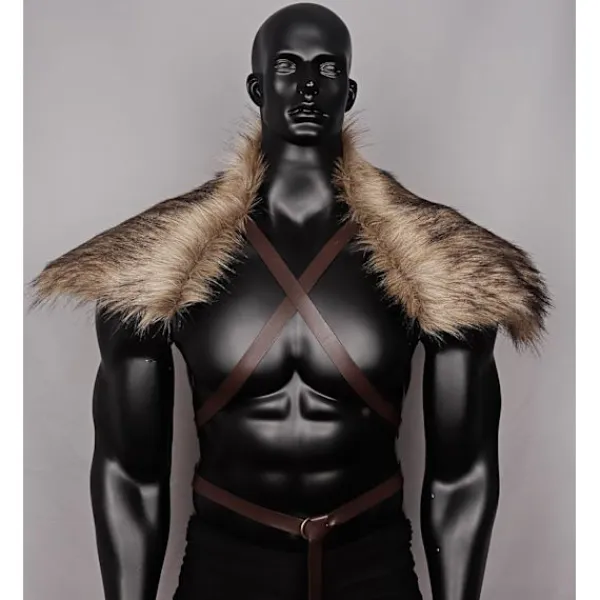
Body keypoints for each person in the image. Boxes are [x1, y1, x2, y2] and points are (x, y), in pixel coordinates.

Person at [31, 3, 550, 599]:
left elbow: (463, 474)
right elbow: (130, 473)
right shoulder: (154, 272)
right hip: (225, 574)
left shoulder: (444, 271)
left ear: (349, 92)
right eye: (287, 66)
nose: (307, 85)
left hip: (373, 570)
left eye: (327, 68)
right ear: (257, 88)